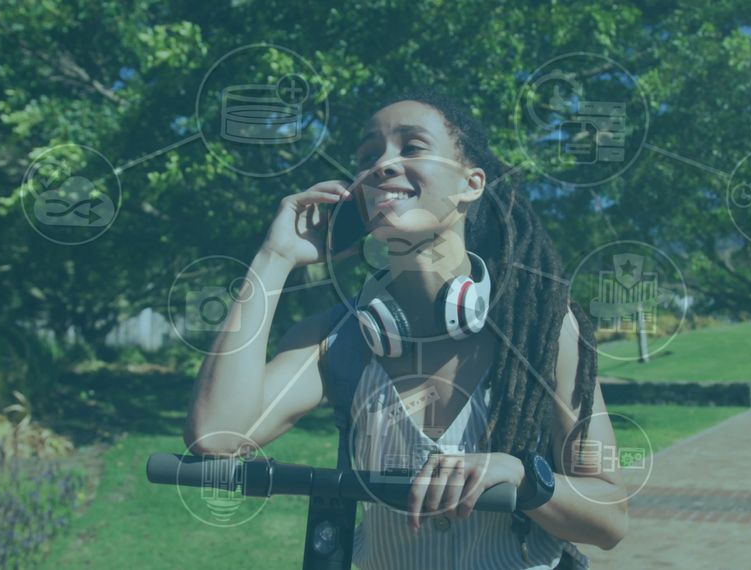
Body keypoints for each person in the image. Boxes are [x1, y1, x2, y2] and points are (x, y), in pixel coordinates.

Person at [183, 90, 628, 569]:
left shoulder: (542, 330)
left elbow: (609, 519)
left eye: (411, 147)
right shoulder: (335, 340)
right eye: (369, 156)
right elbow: (216, 436)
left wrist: (522, 477)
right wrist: (276, 257)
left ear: (471, 183)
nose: (381, 165)